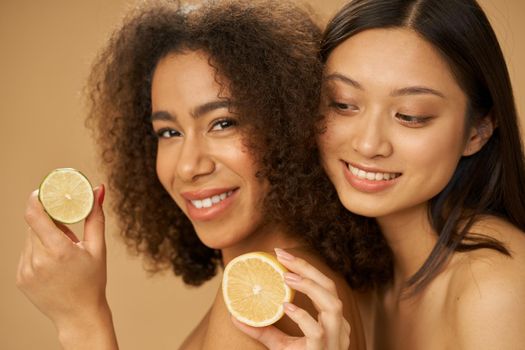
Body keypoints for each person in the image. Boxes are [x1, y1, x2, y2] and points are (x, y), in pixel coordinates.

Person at [17, 1, 386, 349]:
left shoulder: (265, 299)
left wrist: (81, 319)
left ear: (288, 125)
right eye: (169, 132)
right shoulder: (287, 279)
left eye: (223, 123)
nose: (189, 166)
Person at [317, 0, 525, 349]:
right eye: (343, 103)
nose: (369, 144)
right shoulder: (361, 272)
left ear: (478, 130)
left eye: (410, 116)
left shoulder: (497, 288)